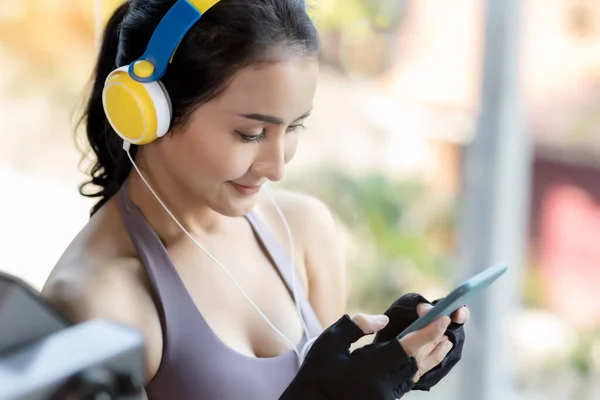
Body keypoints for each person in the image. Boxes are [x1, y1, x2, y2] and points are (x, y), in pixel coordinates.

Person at [40, 0, 469, 399]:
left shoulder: (304, 232)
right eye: (251, 134)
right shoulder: (97, 300)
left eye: (295, 127)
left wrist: (385, 364)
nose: (277, 166)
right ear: (150, 110)